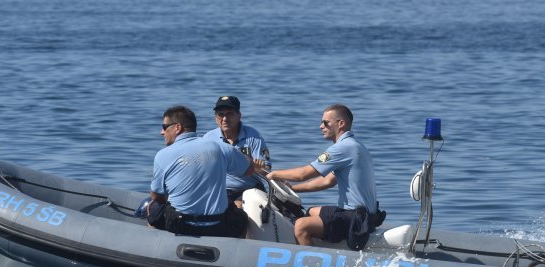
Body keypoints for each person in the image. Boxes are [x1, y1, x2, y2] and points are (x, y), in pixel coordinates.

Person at [267, 104, 383, 249]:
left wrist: (274, 174)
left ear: (341, 124)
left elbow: (303, 174)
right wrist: (293, 189)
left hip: (355, 218)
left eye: (326, 122)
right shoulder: (356, 145)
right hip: (366, 215)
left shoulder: (342, 148)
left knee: (301, 225)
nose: (321, 126)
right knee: (311, 211)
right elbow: (327, 181)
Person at [148, 105, 254, 237]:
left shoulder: (162, 155)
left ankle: (154, 246)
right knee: (241, 216)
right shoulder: (221, 147)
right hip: (218, 226)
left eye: (164, 127)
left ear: (178, 128)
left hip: (181, 226)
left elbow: (156, 196)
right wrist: (246, 158)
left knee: (152, 207)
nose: (161, 132)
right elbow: (249, 170)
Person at [203, 95, 271, 207]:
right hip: (220, 191)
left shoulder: (254, 136)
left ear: (239, 115)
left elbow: (267, 171)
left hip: (250, 189)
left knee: (237, 206)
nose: (225, 119)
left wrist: (258, 168)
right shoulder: (208, 139)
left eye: (229, 113)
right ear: (215, 118)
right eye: (221, 115)